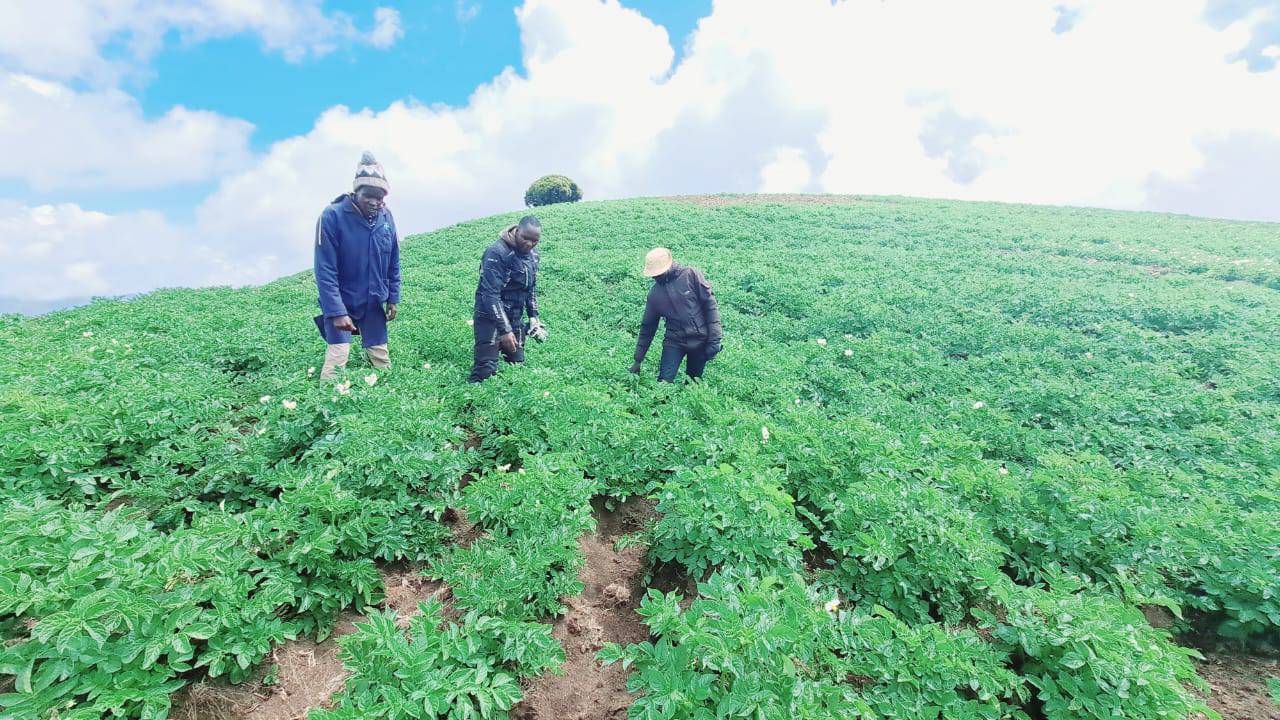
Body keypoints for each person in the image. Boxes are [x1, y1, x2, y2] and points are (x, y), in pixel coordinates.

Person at [313, 151, 401, 380]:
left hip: (373, 300)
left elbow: (393, 261)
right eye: (368, 195)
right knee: (338, 353)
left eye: (380, 196)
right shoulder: (332, 216)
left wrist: (393, 297)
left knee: (381, 354)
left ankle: (390, 397)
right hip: (343, 298)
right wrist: (337, 311)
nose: (375, 202)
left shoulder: (386, 217)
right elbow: (325, 270)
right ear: (355, 193)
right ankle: (325, 403)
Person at [469, 215, 548, 382]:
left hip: (515, 316)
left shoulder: (533, 255)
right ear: (517, 231)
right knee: (485, 370)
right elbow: (490, 294)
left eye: (535, 241)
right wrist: (505, 330)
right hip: (489, 316)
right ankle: (473, 404)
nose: (529, 244)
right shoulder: (497, 252)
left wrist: (534, 317)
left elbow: (530, 287)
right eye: (525, 238)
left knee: (516, 367)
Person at [629, 247, 723, 382]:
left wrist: (715, 339)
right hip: (674, 341)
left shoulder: (691, 275)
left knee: (693, 382)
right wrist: (638, 359)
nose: (655, 277)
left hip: (700, 340)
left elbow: (710, 306)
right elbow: (647, 328)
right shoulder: (655, 294)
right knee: (663, 383)